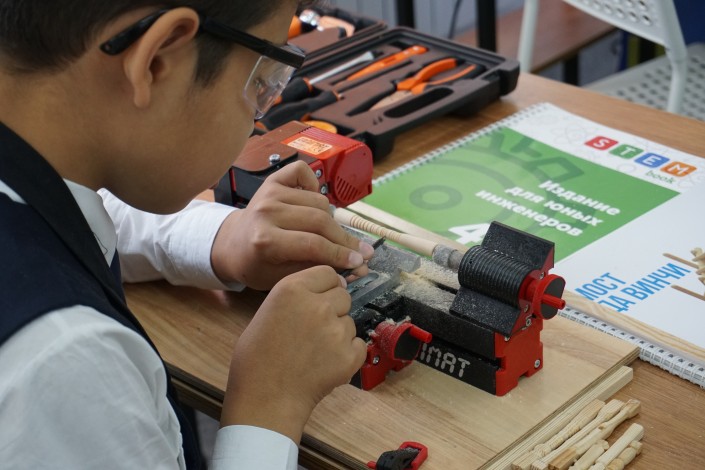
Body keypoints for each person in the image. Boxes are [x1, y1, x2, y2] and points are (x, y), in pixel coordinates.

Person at [0, 1, 373, 468]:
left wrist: (221, 238)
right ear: (158, 61)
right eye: (261, 80)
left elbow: (72, 204)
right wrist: (268, 407)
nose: (258, 117)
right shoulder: (67, 367)